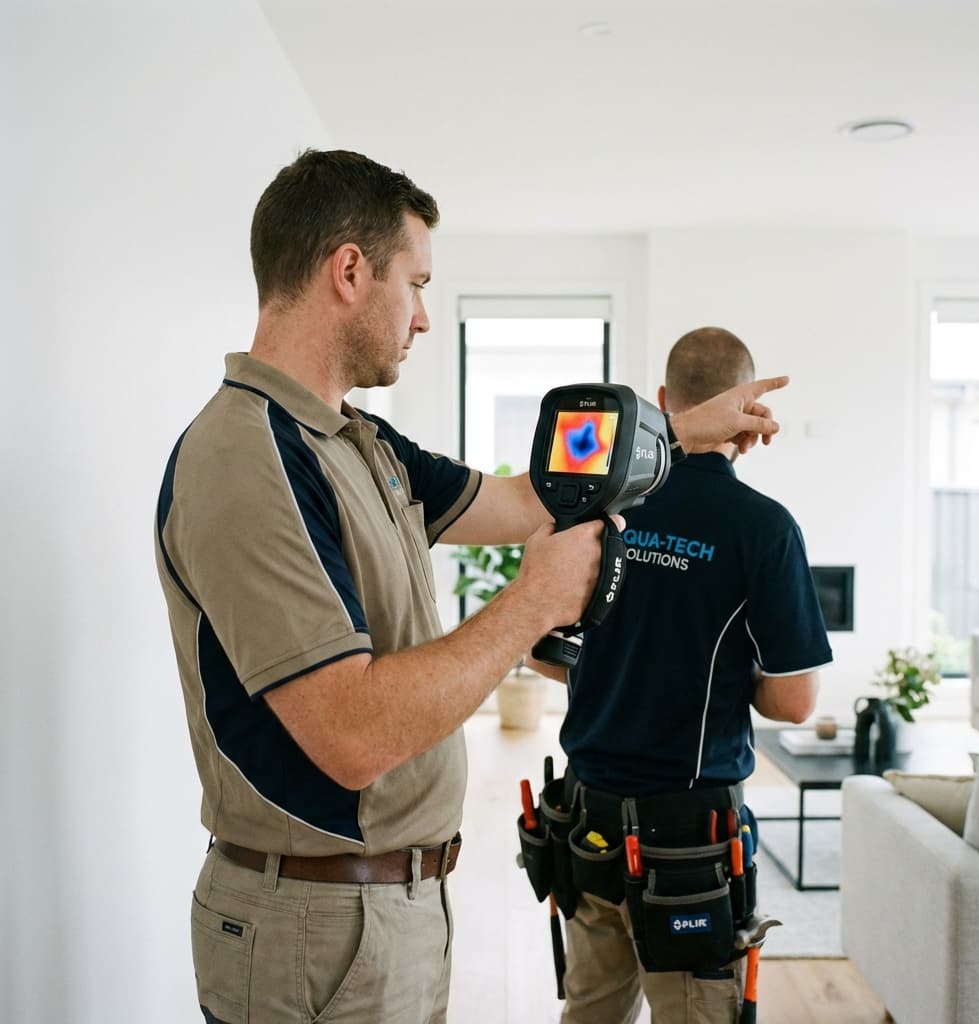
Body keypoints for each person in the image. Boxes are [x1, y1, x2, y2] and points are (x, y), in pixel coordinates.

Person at [154, 150, 789, 1023]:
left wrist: (680, 433)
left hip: (388, 906)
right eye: (413, 284)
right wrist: (535, 601)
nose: (421, 317)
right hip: (316, 919)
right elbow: (351, 734)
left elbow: (528, 498)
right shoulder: (249, 460)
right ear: (348, 271)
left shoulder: (359, 444)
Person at [531, 327, 833, 1024]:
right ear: (750, 416)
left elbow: (543, 654)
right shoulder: (764, 528)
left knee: (591, 1011)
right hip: (689, 844)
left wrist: (618, 666)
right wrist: (725, 677)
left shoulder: (599, 508)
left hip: (588, 824)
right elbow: (794, 700)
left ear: (665, 401)